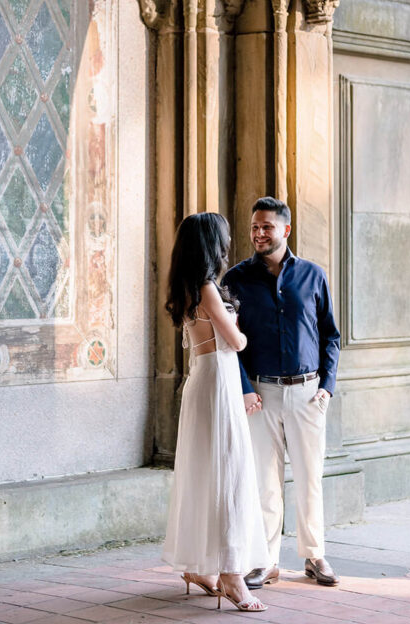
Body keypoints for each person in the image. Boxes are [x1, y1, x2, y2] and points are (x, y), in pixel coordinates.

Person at [224, 197, 341, 589]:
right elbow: (227, 343)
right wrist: (243, 389)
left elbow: (331, 336)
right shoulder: (235, 280)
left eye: (267, 227)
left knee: (310, 477)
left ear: (285, 230)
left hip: (308, 394)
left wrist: (327, 386)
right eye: (255, 227)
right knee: (264, 481)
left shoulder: (313, 276)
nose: (258, 233)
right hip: (260, 393)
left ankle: (314, 555)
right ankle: (266, 561)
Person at [162, 212, 269, 612]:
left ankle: (200, 566)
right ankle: (230, 574)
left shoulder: (188, 286)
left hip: (205, 380)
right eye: (224, 237)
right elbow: (237, 342)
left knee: (208, 474)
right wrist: (242, 326)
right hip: (218, 386)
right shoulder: (207, 288)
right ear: (213, 244)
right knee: (230, 475)